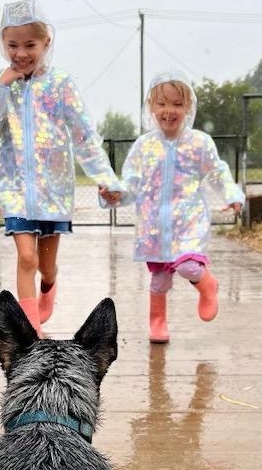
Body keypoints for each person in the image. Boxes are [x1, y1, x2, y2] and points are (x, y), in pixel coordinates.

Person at [0, 0, 120, 335]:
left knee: (45, 264)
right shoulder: (1, 84)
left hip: (54, 189)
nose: (21, 53)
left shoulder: (60, 84)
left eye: (30, 45)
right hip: (15, 188)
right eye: (12, 45)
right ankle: (33, 332)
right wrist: (1, 87)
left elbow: (85, 135)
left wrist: (105, 178)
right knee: (26, 258)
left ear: (46, 43)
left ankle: (49, 285)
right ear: (3, 44)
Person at [99, 70, 245, 344]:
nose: (169, 111)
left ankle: (208, 285)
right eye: (162, 103)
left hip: (188, 221)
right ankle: (157, 322)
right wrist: (115, 195)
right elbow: (130, 183)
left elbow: (217, 172)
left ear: (188, 107)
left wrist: (232, 195)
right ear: (151, 106)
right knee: (159, 281)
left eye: (178, 104)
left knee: (189, 266)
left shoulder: (199, 143)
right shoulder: (144, 146)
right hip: (154, 226)